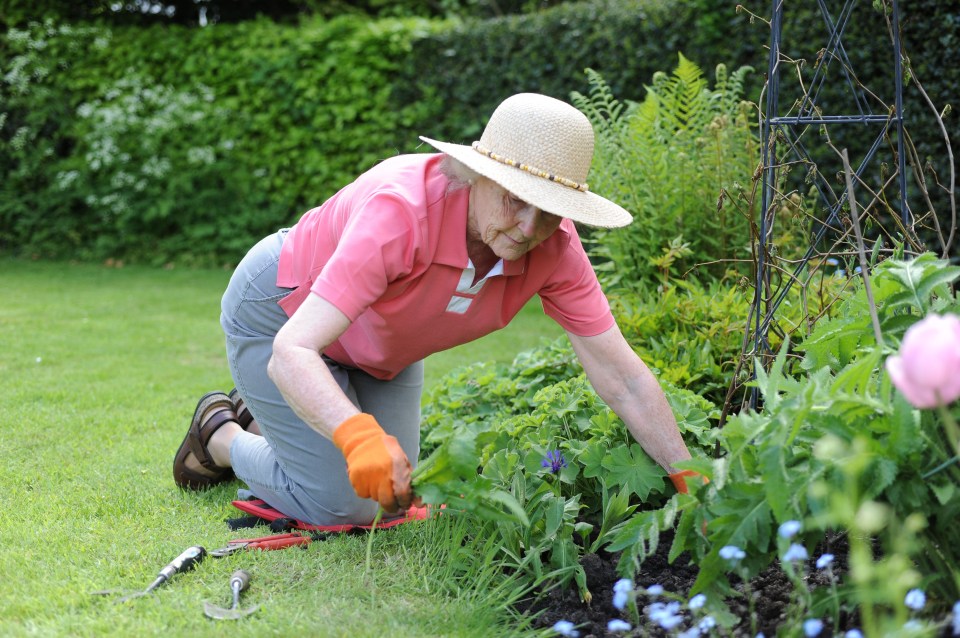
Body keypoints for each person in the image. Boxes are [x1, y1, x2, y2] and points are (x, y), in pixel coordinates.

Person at [173, 93, 700, 525]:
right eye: (517, 199)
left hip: (381, 348)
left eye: (550, 213)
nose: (527, 229)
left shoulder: (554, 248)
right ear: (478, 175)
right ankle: (222, 435)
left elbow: (622, 378)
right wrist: (357, 437)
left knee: (392, 494)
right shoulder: (402, 212)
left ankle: (273, 414)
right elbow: (293, 351)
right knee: (342, 506)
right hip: (283, 314)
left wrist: (689, 474)